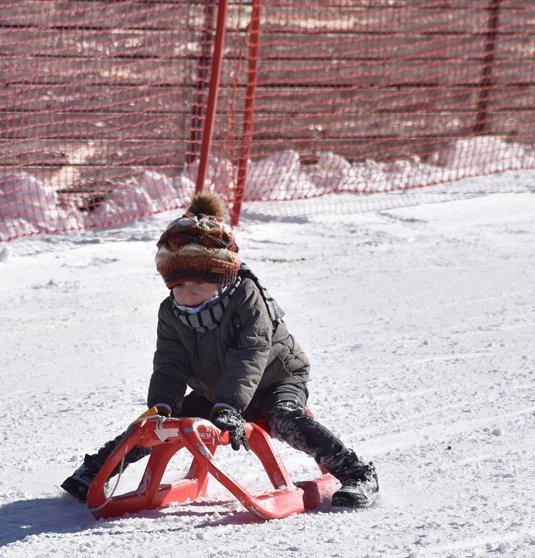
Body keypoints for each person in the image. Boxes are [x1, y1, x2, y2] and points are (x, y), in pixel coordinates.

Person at [61, 191, 378, 509]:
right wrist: (162, 404)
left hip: (274, 379)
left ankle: (357, 473)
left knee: (284, 417)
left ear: (222, 279)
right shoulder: (171, 312)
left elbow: (249, 355)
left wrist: (229, 406)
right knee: (154, 424)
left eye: (197, 286)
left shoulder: (247, 299)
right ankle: (96, 469)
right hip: (216, 391)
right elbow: (170, 362)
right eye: (178, 287)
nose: (186, 295)